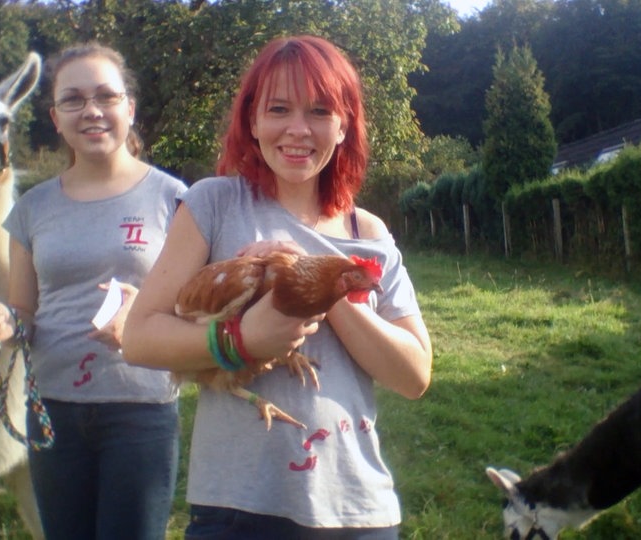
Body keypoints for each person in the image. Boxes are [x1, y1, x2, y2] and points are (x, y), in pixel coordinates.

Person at [123, 35, 432, 539]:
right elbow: (138, 338)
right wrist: (241, 341)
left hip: (357, 507)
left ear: (344, 123)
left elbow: (414, 376)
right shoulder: (216, 204)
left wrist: (314, 281)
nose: (297, 129)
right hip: (241, 504)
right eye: (279, 109)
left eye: (318, 111)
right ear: (252, 121)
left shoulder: (367, 234)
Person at [0, 42, 185, 540]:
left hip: (141, 410)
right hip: (53, 411)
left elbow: (194, 308)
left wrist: (146, 323)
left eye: (106, 96)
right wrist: (5, 321)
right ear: (55, 117)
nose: (91, 110)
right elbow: (26, 312)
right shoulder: (33, 209)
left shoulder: (175, 200)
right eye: (74, 99)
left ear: (129, 107)